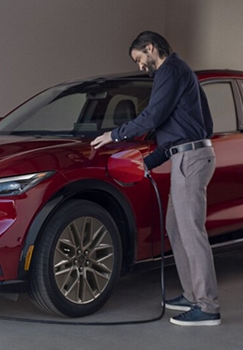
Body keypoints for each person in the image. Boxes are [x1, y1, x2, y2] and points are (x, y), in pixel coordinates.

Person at [90, 31, 220, 326]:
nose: (140, 66)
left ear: (150, 48)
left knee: (191, 233)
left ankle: (208, 306)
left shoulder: (169, 70)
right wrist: (147, 163)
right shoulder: (180, 73)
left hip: (190, 159)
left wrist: (115, 134)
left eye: (139, 59)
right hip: (186, 157)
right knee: (176, 228)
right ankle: (192, 294)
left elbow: (152, 116)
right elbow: (188, 128)